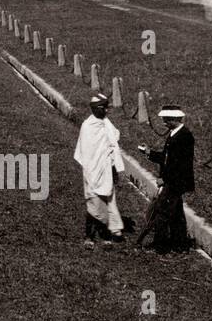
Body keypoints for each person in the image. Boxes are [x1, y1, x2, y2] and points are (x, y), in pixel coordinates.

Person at [136, 106, 196, 252]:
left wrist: (165, 179)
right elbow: (166, 158)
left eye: (166, 119)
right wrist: (149, 153)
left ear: (175, 120)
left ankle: (160, 247)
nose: (163, 122)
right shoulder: (174, 134)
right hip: (174, 181)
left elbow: (179, 165)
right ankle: (180, 245)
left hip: (175, 182)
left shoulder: (184, 137)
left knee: (162, 214)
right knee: (176, 215)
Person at [73, 93, 125, 247]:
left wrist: (116, 167)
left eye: (107, 107)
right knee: (94, 201)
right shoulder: (87, 126)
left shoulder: (106, 123)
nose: (107, 111)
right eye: (104, 108)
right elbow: (85, 152)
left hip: (106, 170)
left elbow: (114, 141)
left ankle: (106, 235)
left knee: (107, 200)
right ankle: (89, 236)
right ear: (95, 109)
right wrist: (91, 169)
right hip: (92, 171)